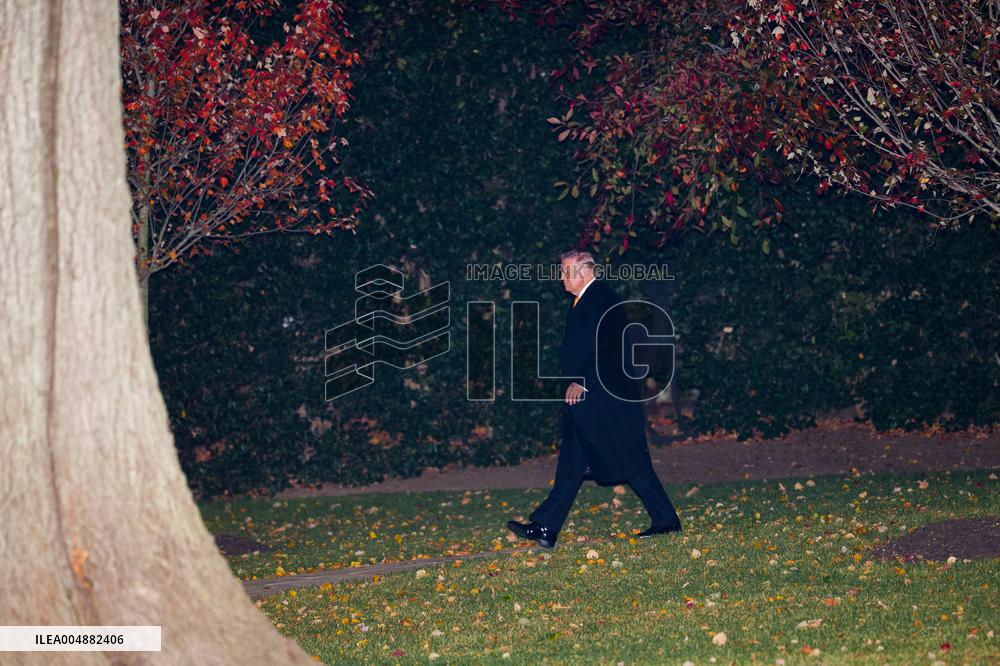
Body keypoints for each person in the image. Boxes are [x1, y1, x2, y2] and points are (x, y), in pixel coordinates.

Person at [507, 250, 682, 548]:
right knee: (572, 462)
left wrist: (582, 381)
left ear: (587, 272)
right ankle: (546, 527)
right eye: (562, 271)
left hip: (608, 400)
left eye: (566, 272)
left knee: (633, 461)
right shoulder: (584, 300)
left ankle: (666, 521)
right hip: (591, 401)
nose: (562, 278)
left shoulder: (603, 299)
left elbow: (610, 350)